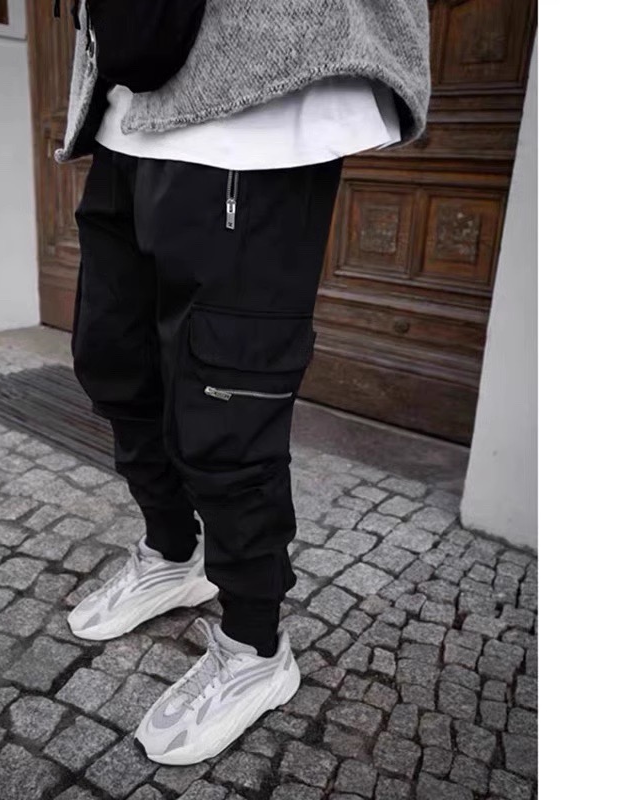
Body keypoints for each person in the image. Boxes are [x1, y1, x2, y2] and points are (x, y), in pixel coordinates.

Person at [56, 0, 430, 765]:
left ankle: (256, 647)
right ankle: (172, 554)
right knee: (115, 363)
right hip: (124, 115)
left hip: (258, 109)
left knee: (227, 414)